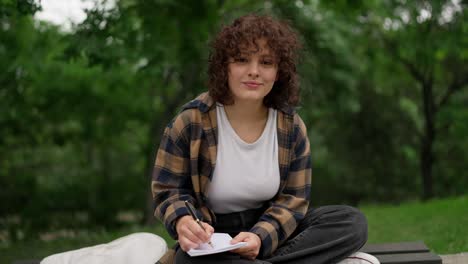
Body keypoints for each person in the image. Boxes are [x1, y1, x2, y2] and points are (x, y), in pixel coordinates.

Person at [151, 14, 379, 264]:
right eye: (242, 60)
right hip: (213, 239)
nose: (254, 72)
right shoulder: (191, 121)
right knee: (189, 260)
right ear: (224, 66)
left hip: (270, 232)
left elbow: (293, 202)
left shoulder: (291, 127)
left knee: (351, 222)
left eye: (266, 62)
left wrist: (260, 237)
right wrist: (184, 220)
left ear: (279, 72)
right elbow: (168, 190)